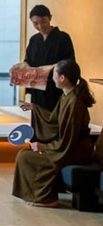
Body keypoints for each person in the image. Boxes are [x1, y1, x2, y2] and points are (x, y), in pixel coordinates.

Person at [13, 59, 96, 207]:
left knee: (26, 157)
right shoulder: (66, 96)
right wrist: (35, 108)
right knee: (24, 154)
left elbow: (69, 138)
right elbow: (54, 120)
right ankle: (39, 194)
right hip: (66, 146)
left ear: (63, 78)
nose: (52, 78)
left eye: (54, 75)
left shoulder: (74, 102)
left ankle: (46, 197)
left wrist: (46, 147)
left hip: (76, 150)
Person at [23, 4, 75, 111]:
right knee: (37, 116)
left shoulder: (63, 38)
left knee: (54, 118)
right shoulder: (34, 40)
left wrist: (50, 67)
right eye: (35, 23)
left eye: (43, 21)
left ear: (50, 18)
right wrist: (23, 67)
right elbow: (28, 60)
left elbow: (69, 64)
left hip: (55, 88)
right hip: (37, 89)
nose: (40, 26)